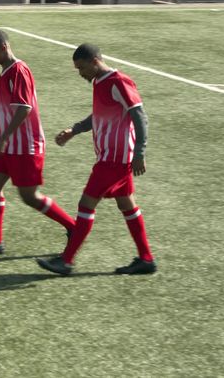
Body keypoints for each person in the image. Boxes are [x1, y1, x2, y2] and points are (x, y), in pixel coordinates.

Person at [37, 43, 156, 276]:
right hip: (110, 158)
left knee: (86, 204)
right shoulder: (100, 83)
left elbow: (140, 116)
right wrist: (75, 129)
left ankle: (67, 260)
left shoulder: (119, 81)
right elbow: (100, 114)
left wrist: (140, 151)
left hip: (115, 159)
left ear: (94, 62)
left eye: (81, 68)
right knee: (127, 204)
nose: (80, 74)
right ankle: (146, 259)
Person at [0, 29, 75, 255]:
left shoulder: (19, 71)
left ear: (3, 48)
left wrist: (3, 137)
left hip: (24, 146)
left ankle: (74, 227)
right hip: (7, 145)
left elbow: (24, 109)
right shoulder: (6, 71)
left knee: (30, 197)